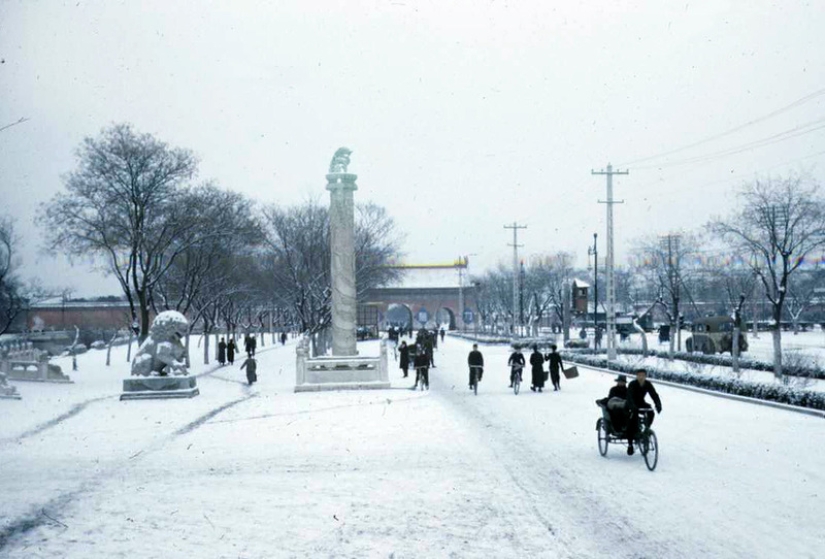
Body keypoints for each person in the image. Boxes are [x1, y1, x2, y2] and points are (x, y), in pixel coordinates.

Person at [625, 368, 662, 455]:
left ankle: (646, 429)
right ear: (636, 376)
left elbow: (654, 395)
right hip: (631, 404)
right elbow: (629, 397)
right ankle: (630, 445)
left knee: (651, 412)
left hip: (641, 403)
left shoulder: (648, 384)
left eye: (643, 376)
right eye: (639, 375)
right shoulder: (632, 384)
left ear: (645, 376)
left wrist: (658, 404)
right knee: (632, 422)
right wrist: (633, 407)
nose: (641, 377)